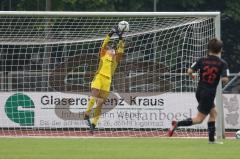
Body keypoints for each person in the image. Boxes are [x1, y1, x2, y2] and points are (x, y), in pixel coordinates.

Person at [168, 38, 229, 144]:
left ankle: (211, 140)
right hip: (209, 93)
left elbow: (189, 71)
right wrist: (221, 79)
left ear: (208, 49)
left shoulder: (201, 60)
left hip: (199, 91)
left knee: (214, 113)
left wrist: (192, 75)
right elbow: (225, 79)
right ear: (220, 50)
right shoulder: (222, 63)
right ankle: (177, 124)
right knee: (199, 119)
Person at [83, 27, 125, 132]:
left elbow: (121, 50)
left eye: (112, 49)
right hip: (99, 77)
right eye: (110, 48)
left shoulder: (116, 59)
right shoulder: (103, 54)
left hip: (107, 81)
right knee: (94, 96)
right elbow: (103, 44)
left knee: (100, 103)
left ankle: (93, 125)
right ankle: (86, 114)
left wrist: (120, 38)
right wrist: (110, 33)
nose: (111, 49)